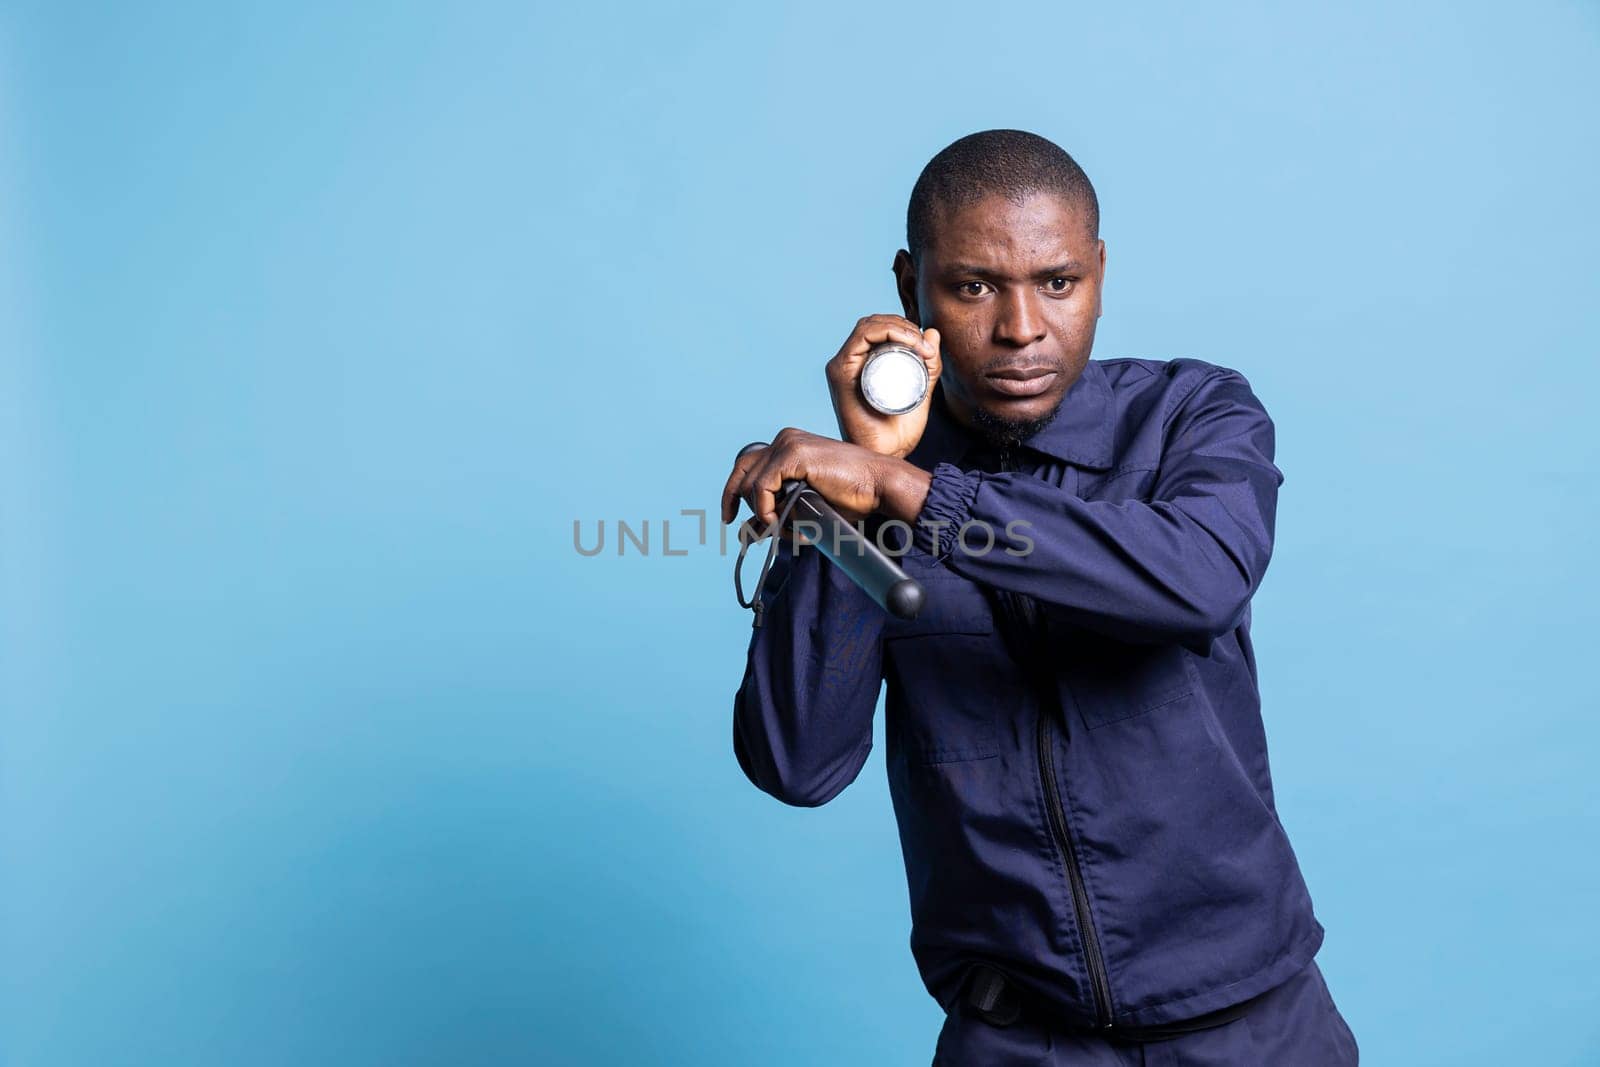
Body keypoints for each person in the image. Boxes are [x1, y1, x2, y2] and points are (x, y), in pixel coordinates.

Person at [720, 130, 1359, 1066]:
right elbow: (796, 761)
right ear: (911, 290)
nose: (1021, 328)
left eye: (1057, 282)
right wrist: (843, 507)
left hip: (1256, 1030)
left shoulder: (1193, 415)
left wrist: (916, 495)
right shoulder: (868, 480)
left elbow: (1198, 580)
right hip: (1017, 1042)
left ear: (1099, 271)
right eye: (974, 287)